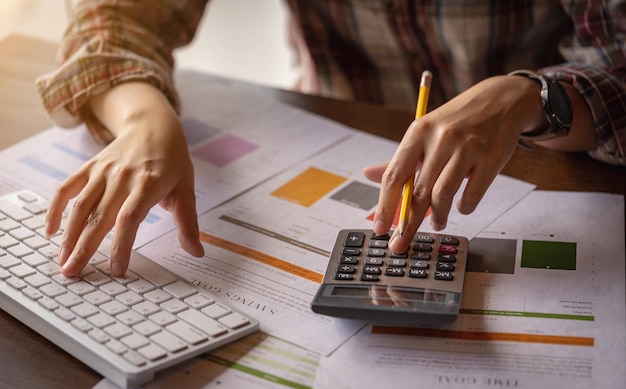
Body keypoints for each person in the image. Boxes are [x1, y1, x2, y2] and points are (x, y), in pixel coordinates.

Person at [36, 0, 626, 278]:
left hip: (552, 154)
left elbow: (618, 62)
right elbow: (117, 16)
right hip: (330, 129)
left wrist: (528, 98)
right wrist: (143, 117)